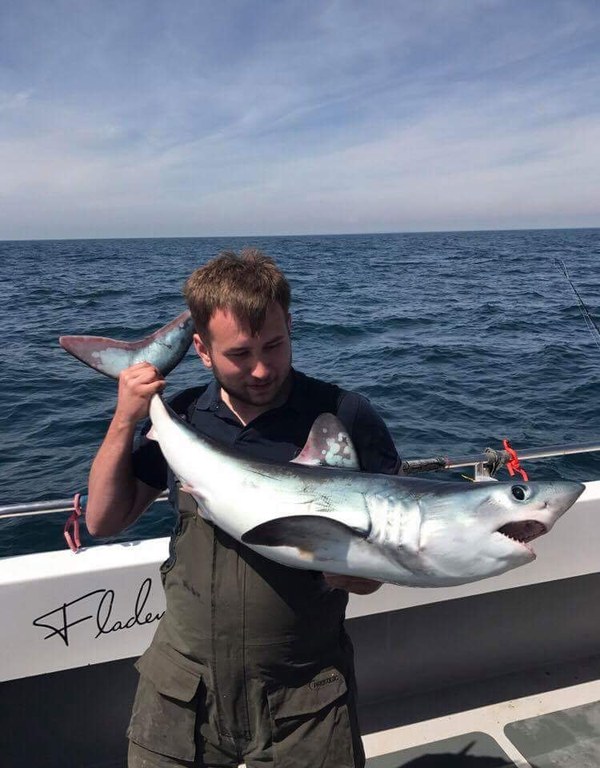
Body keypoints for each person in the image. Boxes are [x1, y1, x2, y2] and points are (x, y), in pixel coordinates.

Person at [86, 249, 401, 768]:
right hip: (181, 688)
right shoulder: (182, 416)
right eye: (239, 353)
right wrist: (125, 418)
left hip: (305, 694)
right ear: (202, 351)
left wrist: (354, 571)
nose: (261, 368)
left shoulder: (344, 415)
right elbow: (103, 520)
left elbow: (374, 571)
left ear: (291, 326)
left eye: (275, 345)